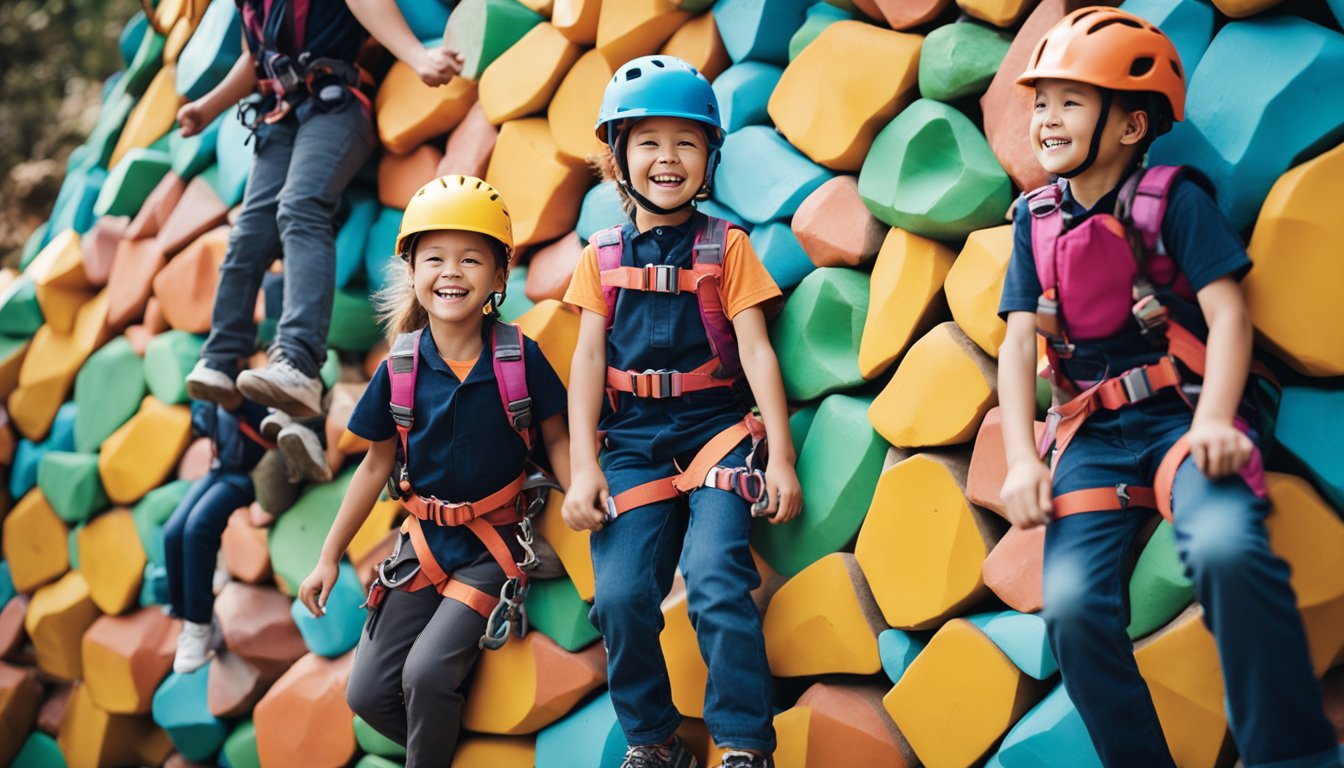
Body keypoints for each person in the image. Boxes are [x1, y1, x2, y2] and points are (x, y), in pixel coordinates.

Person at [997, 8, 1341, 767]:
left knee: (1224, 547)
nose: (1047, 118)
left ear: (1129, 125)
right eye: (1041, 101)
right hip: (1093, 439)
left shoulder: (1174, 200)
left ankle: (1289, 754)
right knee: (1074, 611)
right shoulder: (1035, 221)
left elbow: (1229, 316)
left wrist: (1220, 417)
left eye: (1071, 102)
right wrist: (1023, 459)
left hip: (1187, 418)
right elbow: (1018, 342)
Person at [563, 55, 802, 768]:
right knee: (621, 597)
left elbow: (758, 354)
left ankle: (744, 745)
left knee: (717, 580)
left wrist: (781, 457)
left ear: (711, 157)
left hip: (717, 437)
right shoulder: (599, 257)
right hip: (632, 448)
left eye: (686, 143)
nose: (668, 158)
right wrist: (582, 468)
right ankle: (655, 741)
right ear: (619, 157)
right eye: (649, 142)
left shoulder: (727, 248)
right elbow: (584, 363)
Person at [297, 176, 570, 765]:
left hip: (489, 550)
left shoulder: (519, 359)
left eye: (471, 259)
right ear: (412, 272)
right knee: (367, 692)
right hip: (420, 547)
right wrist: (326, 556)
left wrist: (586, 498)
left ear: (499, 278)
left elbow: (556, 438)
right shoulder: (399, 369)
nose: (452, 272)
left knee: (424, 674)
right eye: (436, 258)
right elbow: (374, 468)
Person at [181, 0, 464, 419]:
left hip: (335, 107)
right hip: (281, 116)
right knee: (249, 233)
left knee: (301, 207)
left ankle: (299, 361)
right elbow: (253, 58)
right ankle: (222, 357)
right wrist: (207, 107)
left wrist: (417, 56)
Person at [164, 397, 318, 672]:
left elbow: (272, 426)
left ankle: (198, 625)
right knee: (173, 533)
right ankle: (189, 618)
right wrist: (209, 405)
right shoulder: (214, 373)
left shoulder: (253, 380)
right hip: (218, 468)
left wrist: (237, 403)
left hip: (248, 473)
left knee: (199, 528)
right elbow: (201, 422)